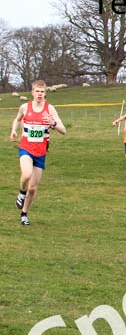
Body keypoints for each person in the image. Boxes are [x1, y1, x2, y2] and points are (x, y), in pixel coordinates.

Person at [9, 80, 67, 226]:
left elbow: (63, 130)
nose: (40, 94)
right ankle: (21, 193)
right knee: (26, 174)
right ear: (32, 92)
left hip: (40, 152)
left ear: (45, 93)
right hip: (26, 148)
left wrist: (52, 124)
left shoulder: (50, 109)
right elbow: (17, 119)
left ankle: (24, 213)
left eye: (42, 92)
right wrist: (14, 130)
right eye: (37, 91)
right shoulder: (24, 107)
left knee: (33, 188)